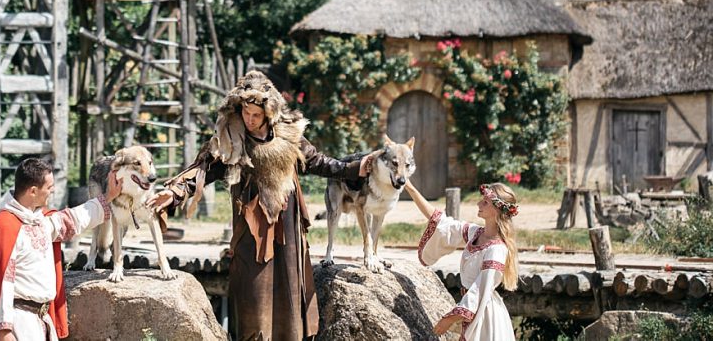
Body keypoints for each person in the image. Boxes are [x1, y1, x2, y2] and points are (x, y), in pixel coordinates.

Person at [145, 71, 378, 340]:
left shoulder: (288, 134)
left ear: (268, 113)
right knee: (252, 295)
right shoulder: (231, 139)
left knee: (290, 291)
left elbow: (318, 162)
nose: (250, 119)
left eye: (256, 115)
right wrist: (174, 192)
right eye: (246, 113)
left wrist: (353, 168)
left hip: (287, 223)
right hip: (251, 227)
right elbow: (202, 170)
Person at [0, 157, 122, 341]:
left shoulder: (40, 221)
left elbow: (74, 219)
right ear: (33, 191)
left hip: (41, 321)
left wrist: (109, 196)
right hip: (19, 324)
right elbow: (2, 284)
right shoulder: (6, 227)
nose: (53, 190)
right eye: (49, 187)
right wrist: (5, 331)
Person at [405, 179, 519, 340]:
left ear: (497, 210)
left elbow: (480, 290)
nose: (479, 204)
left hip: (486, 316)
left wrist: (450, 318)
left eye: (485, 202)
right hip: (472, 309)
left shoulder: (497, 250)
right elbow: (441, 223)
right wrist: (410, 188)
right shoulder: (476, 234)